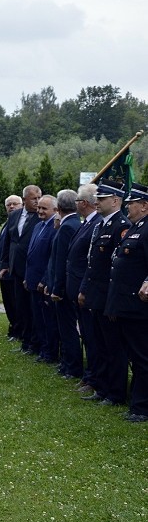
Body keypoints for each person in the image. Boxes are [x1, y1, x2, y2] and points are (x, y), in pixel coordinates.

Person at [79, 179, 130, 406]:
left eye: (102, 199)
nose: (97, 202)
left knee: (113, 348)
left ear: (116, 200)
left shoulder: (121, 225)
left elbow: (116, 269)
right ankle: (102, 386)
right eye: (97, 198)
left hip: (108, 297)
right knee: (99, 344)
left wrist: (111, 302)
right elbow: (92, 263)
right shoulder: (101, 224)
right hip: (97, 296)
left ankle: (115, 392)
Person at [105, 182, 148, 422]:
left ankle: (142, 408)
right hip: (125, 306)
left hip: (138, 307)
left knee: (142, 358)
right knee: (134, 356)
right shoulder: (135, 228)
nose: (127, 207)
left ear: (144, 205)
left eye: (131, 203)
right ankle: (136, 401)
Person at [66, 184, 100, 393]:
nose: (76, 204)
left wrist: (83, 289)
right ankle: (90, 376)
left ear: (84, 203)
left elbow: (91, 262)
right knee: (87, 335)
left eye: (78, 200)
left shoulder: (95, 223)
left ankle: (93, 378)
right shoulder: (87, 223)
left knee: (92, 337)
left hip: (86, 290)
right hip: (79, 288)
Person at [0, 185, 42, 354]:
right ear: (24, 200)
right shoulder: (15, 215)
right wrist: (4, 264)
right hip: (16, 269)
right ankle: (25, 341)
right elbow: (8, 242)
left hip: (31, 269)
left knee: (33, 309)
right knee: (21, 307)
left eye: (39, 198)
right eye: (34, 198)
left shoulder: (40, 218)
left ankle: (35, 343)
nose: (38, 202)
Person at [47, 189, 81, 378]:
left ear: (58, 208)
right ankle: (67, 363)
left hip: (64, 287)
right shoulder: (72, 224)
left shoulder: (67, 227)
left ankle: (72, 366)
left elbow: (61, 261)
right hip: (68, 285)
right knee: (66, 328)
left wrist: (57, 288)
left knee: (67, 329)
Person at [24, 194, 58, 363]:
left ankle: (49, 352)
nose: (40, 211)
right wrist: (27, 277)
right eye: (38, 208)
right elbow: (31, 254)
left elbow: (51, 258)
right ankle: (41, 349)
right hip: (32, 280)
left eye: (44, 208)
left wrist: (44, 280)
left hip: (43, 283)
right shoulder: (38, 226)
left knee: (47, 320)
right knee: (37, 318)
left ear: (55, 210)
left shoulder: (54, 227)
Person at [0, 195, 23, 340]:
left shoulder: (20, 223)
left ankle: (17, 329)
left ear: (21, 205)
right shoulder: (7, 223)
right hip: (4, 269)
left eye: (15, 204)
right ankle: (13, 326)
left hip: (13, 270)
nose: (11, 207)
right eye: (9, 204)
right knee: (8, 301)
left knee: (15, 302)